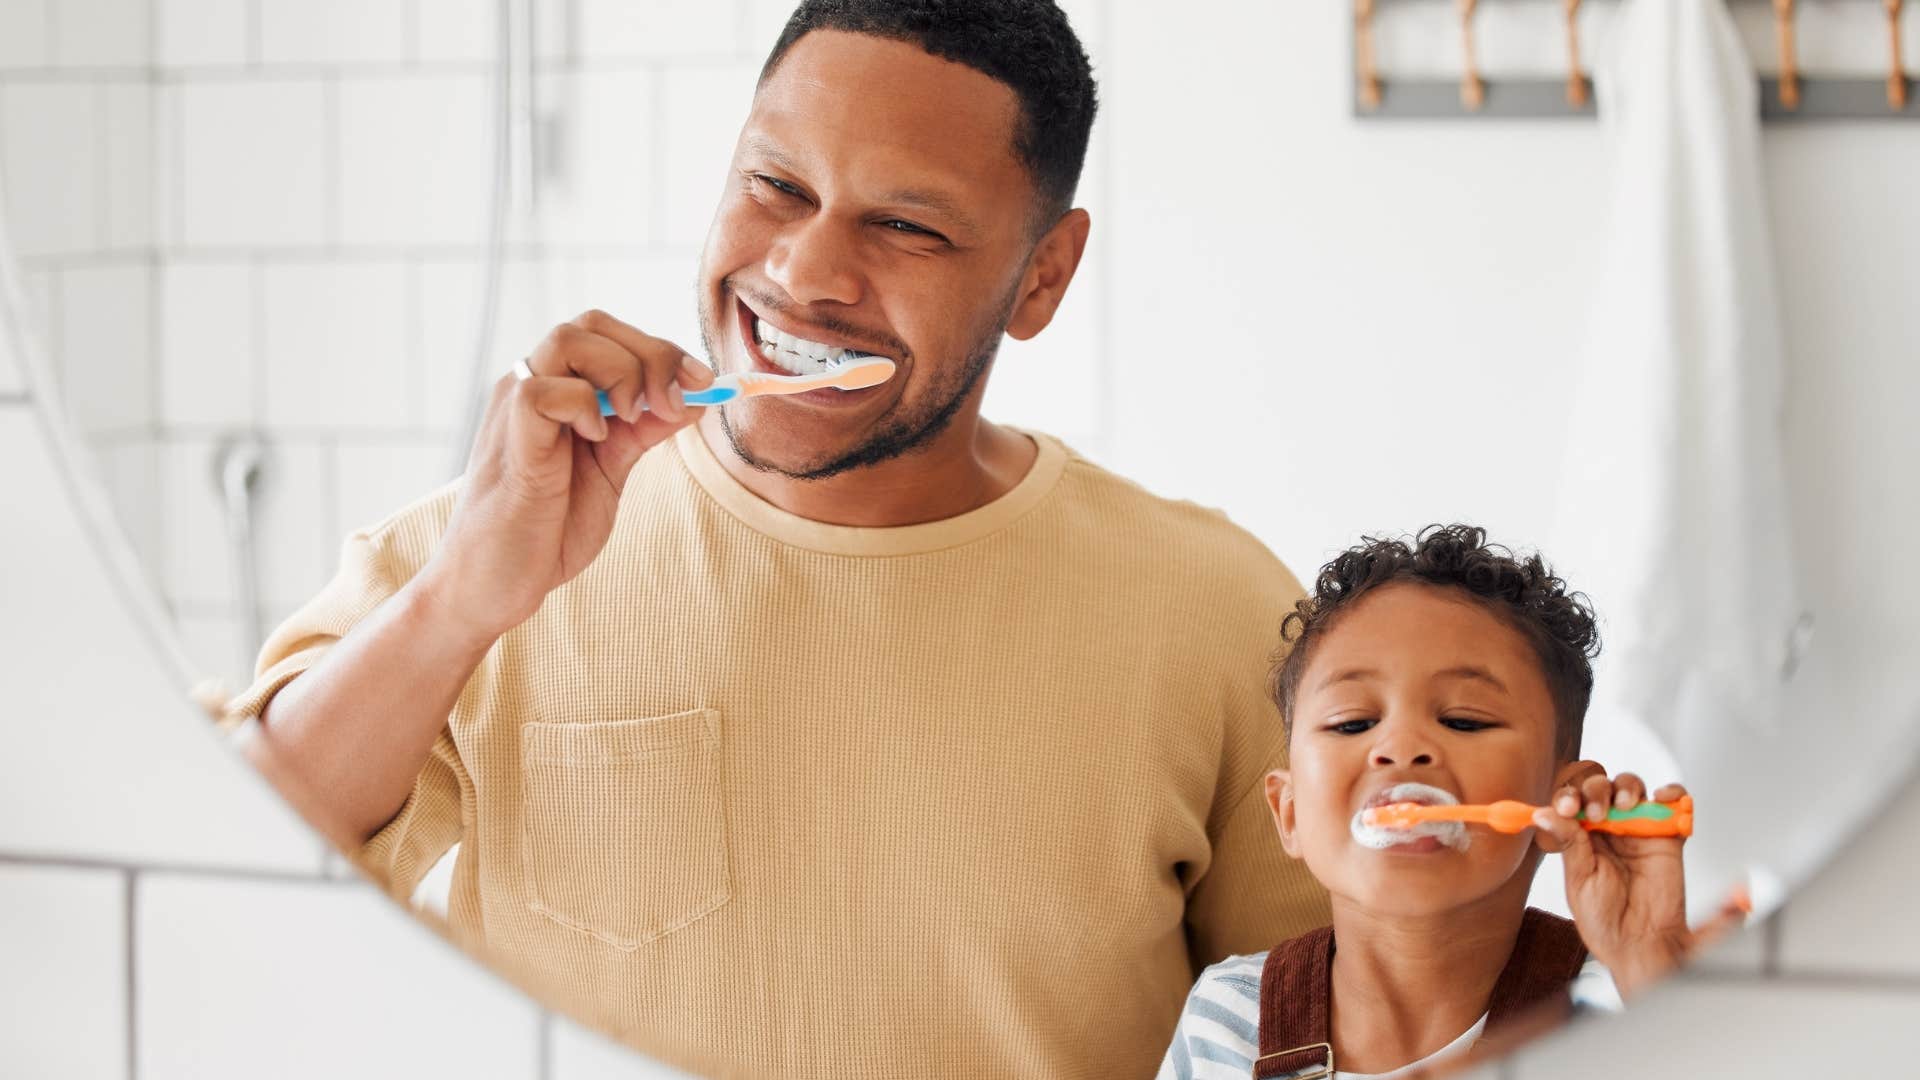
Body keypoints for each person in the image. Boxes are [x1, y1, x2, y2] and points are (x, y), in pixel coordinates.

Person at [224, 2, 1334, 1075]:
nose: (804, 273)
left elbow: (1332, 1022)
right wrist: (462, 599)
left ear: (1041, 275)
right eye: (776, 185)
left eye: (905, 225)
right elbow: (230, 868)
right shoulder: (483, 552)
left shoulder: (1213, 611)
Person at [1156, 526, 1722, 1080]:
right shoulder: (1228, 1023)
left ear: (1562, 800)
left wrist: (1653, 969)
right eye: (1352, 722)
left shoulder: (1626, 1008)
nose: (1400, 748)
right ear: (1291, 813)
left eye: (1463, 720)